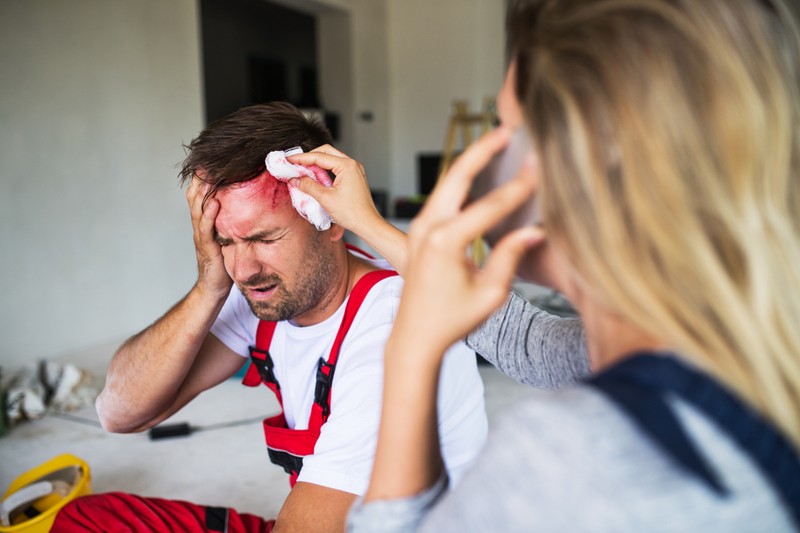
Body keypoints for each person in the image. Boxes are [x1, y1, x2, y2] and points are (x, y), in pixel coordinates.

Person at [293, 0, 800, 530]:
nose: (488, 152)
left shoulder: (563, 455)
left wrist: (410, 354)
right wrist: (370, 224)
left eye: (504, 127)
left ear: (579, 159)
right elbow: (533, 347)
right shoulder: (731, 348)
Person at [52, 102, 487, 532]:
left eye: (264, 237)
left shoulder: (390, 334)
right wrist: (208, 289)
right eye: (225, 241)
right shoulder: (267, 292)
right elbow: (120, 412)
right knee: (85, 519)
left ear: (330, 219)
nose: (243, 270)